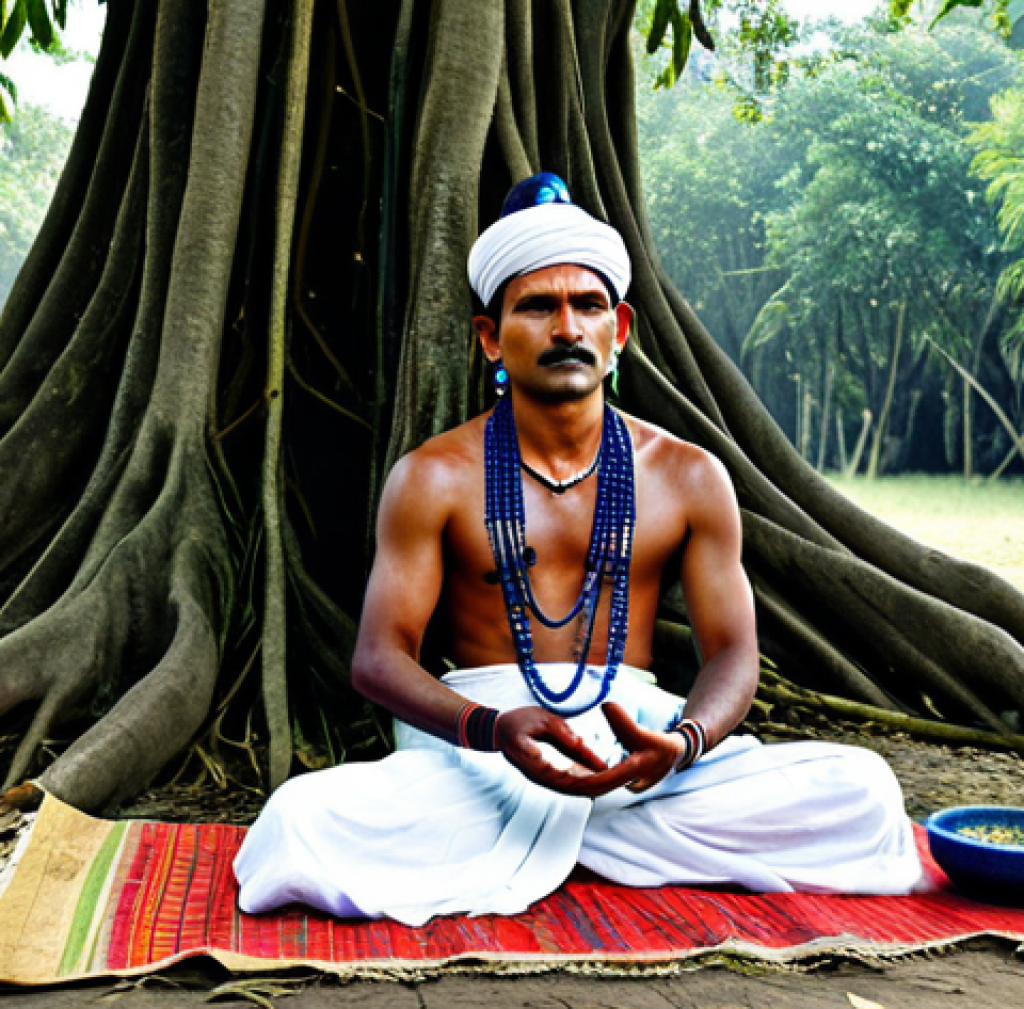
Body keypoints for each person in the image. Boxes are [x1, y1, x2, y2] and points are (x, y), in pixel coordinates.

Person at [234, 173, 923, 926]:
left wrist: (681, 744)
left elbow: (733, 655)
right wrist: (493, 730)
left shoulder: (690, 476)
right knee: (301, 821)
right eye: (537, 306)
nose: (567, 327)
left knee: (861, 789)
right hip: (482, 751)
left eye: (587, 305)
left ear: (619, 329)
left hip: (638, 746)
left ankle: (565, 838)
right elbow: (378, 659)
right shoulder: (433, 477)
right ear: (491, 337)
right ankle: (598, 842)